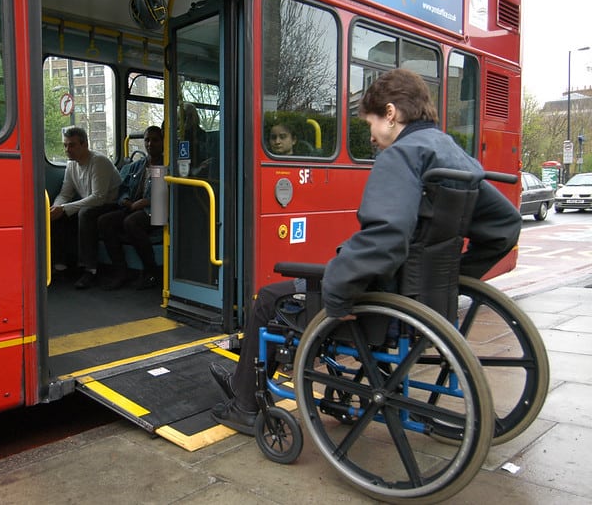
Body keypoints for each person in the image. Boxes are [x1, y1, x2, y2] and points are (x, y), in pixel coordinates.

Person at [209, 68, 522, 435]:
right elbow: (505, 227)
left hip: (379, 302)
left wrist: (338, 292)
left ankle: (245, 404)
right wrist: (453, 278)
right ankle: (244, 383)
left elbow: (386, 237)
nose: (371, 136)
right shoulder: (454, 154)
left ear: (391, 113)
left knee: (268, 299)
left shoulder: (402, 154)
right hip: (425, 303)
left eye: (371, 122)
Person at [51, 126, 122, 289]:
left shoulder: (99, 161)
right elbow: (65, 193)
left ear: (85, 145)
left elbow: (99, 197)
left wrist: (65, 208)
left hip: (111, 205)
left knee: (85, 214)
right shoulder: (71, 165)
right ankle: (60, 266)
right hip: (92, 204)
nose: (67, 149)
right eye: (65, 145)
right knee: (58, 214)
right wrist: (57, 208)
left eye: (72, 145)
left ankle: (89, 269)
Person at [98, 126, 164, 290]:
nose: (150, 144)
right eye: (147, 140)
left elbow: (163, 197)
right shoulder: (137, 166)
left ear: (163, 142)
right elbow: (123, 189)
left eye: (155, 140)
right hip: (133, 207)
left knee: (131, 223)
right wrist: (127, 202)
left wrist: (145, 202)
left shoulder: (165, 165)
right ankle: (120, 271)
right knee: (104, 221)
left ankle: (151, 271)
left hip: (156, 211)